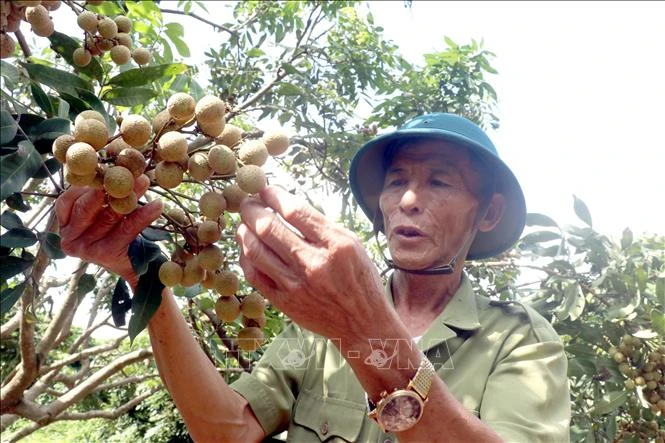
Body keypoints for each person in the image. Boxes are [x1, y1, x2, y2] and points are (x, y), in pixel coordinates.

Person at [56, 113, 571, 442]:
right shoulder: (316, 331)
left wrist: (362, 328)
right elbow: (226, 429)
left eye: (439, 181)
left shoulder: (519, 341)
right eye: (397, 181)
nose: (409, 200)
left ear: (487, 214)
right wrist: (141, 276)